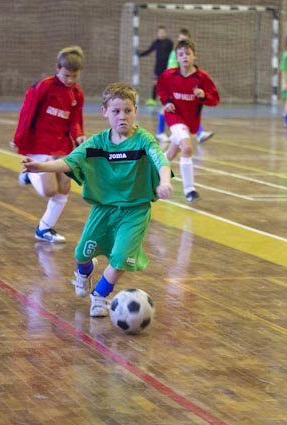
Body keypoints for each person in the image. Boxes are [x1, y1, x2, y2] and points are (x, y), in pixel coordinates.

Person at [20, 82, 173, 317]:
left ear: (135, 111)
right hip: (103, 210)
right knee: (81, 254)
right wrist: (40, 166)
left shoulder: (144, 141)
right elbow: (69, 161)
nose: (122, 116)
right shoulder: (96, 143)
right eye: (116, 111)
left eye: (128, 110)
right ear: (104, 112)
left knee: (121, 258)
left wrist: (165, 181)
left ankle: (100, 296)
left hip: (135, 211)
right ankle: (85, 271)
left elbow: (160, 160)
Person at [10, 46, 86, 243]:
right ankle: (29, 175)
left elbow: (75, 120)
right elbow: (27, 112)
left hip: (62, 144)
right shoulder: (44, 87)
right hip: (40, 144)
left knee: (65, 186)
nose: (70, 80)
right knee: (49, 190)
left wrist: (79, 135)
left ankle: (44, 229)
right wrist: (19, 138)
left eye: (74, 76)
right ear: (57, 68)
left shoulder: (77, 94)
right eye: (66, 75)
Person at [157, 39, 220, 202]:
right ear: (177, 57)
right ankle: (189, 190)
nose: (184, 57)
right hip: (174, 117)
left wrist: (204, 96)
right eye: (181, 54)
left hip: (190, 121)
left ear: (194, 56)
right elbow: (161, 89)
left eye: (187, 53)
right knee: (187, 148)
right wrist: (167, 102)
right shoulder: (169, 75)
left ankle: (151, 168)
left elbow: (215, 99)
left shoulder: (202, 77)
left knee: (171, 154)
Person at [156, 28, 215, 144]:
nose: (184, 56)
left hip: (181, 85)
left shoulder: (198, 72)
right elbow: (172, 70)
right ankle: (160, 132)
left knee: (189, 109)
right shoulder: (174, 55)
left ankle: (198, 133)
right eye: (181, 40)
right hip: (173, 86)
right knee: (167, 107)